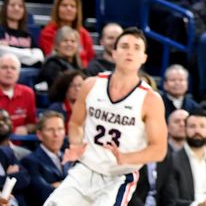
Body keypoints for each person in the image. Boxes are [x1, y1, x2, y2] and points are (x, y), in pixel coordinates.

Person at [47, 28, 167, 206]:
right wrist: (76, 144)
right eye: (124, 46)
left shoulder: (150, 100)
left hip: (118, 176)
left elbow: (159, 150)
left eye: (136, 48)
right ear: (114, 52)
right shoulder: (91, 85)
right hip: (86, 168)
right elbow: (76, 124)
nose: (129, 51)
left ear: (144, 57)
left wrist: (126, 158)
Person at [157, 113, 206, 206]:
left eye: (202, 126)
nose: (197, 131)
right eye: (192, 126)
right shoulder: (171, 161)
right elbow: (169, 201)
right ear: (185, 130)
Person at [20, 111, 68, 204]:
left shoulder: (71, 159)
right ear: (39, 135)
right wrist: (72, 186)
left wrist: (57, 185)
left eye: (60, 129)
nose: (56, 134)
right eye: (50, 129)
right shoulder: (29, 161)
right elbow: (44, 193)